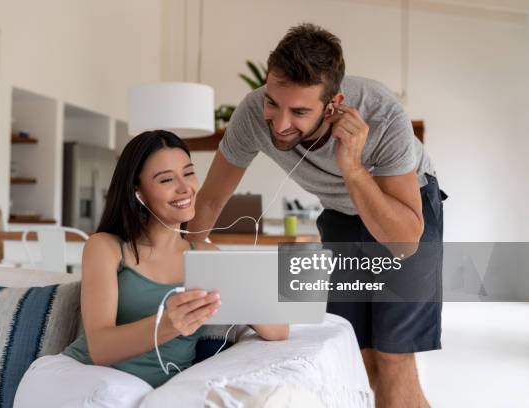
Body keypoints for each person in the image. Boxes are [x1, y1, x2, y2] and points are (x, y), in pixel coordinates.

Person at [187, 23, 446, 408]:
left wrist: (353, 167)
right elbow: (209, 202)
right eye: (273, 102)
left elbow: (405, 241)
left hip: (402, 210)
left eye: (300, 111)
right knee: (355, 351)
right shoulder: (251, 115)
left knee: (393, 357)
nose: (279, 123)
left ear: (334, 104)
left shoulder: (384, 115)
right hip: (341, 216)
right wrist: (180, 263)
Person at [14, 130, 288, 407]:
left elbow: (278, 331)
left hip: (150, 396)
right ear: (138, 192)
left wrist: (242, 288)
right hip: (82, 380)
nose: (185, 188)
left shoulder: (207, 256)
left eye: (189, 173)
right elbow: (99, 348)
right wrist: (169, 324)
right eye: (167, 179)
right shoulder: (106, 248)